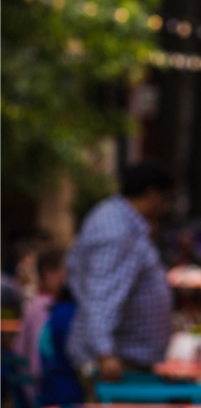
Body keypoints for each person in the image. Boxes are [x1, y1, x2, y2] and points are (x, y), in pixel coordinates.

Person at [66, 163, 176, 382]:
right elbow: (100, 295)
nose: (167, 207)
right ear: (152, 193)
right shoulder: (117, 229)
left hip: (126, 359)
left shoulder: (121, 219)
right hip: (116, 363)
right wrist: (104, 353)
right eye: (167, 198)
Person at [18, 247, 66, 378]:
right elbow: (38, 364)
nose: (68, 279)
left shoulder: (41, 304)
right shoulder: (44, 307)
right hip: (44, 389)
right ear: (48, 273)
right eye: (65, 271)